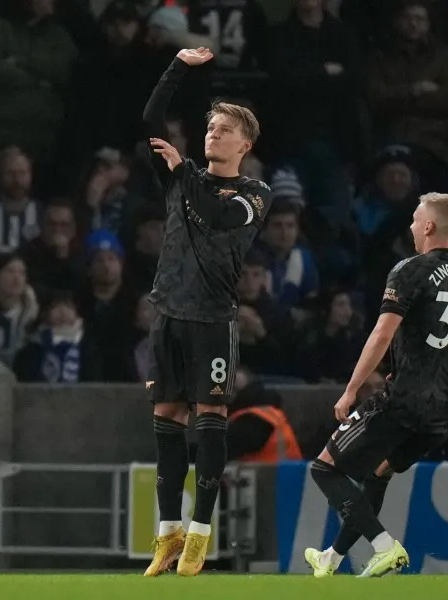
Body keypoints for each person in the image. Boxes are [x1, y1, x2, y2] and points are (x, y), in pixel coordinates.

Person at [304, 192, 448, 577]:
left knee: (324, 469)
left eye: (415, 218)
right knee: (379, 472)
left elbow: (382, 334)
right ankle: (331, 559)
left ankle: (385, 546)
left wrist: (352, 389)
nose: (410, 224)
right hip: (445, 406)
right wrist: (443, 374)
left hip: (406, 397)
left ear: (429, 226)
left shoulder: (410, 269)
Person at [140, 47, 274, 578]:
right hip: (168, 314)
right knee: (167, 421)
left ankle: (200, 535)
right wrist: (176, 64)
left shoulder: (253, 194)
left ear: (245, 144)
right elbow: (152, 119)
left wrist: (184, 170)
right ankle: (168, 535)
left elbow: (218, 217)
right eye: (210, 127)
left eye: (224, 130)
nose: (212, 134)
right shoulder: (180, 175)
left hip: (212, 320)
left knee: (210, 420)